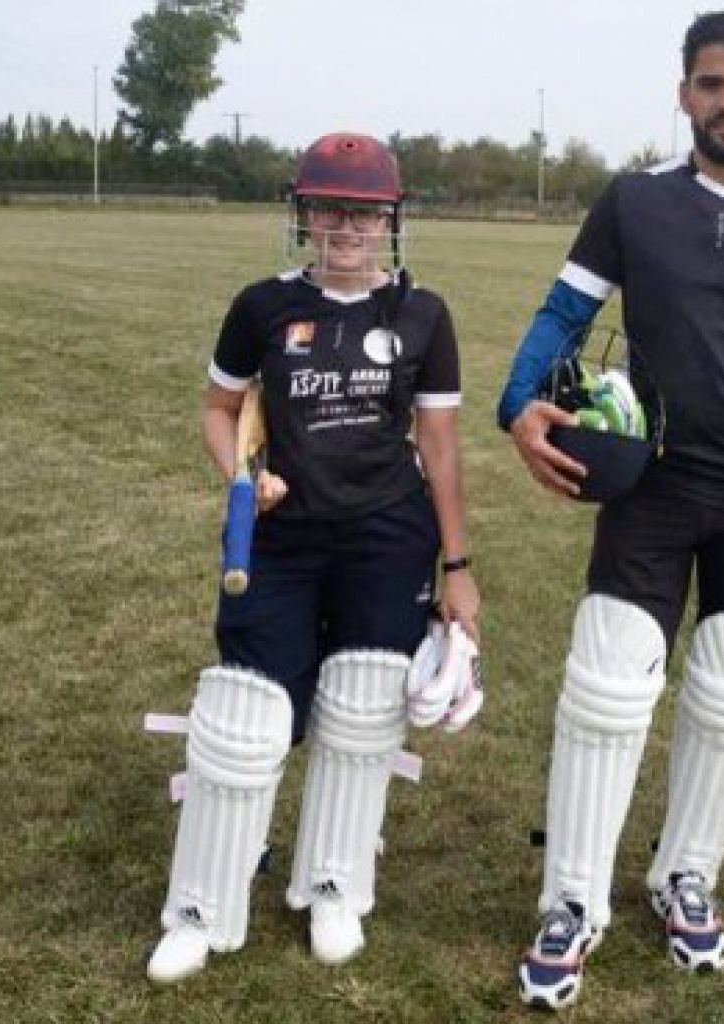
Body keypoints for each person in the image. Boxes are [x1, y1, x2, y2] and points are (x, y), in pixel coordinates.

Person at [497, 11, 724, 1011]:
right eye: (711, 83)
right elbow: (562, 313)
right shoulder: (632, 202)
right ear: (683, 92)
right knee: (606, 687)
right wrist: (512, 406)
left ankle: (683, 875)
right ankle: (569, 903)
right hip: (650, 482)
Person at [146, 132, 480, 983]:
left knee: (363, 709)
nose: (345, 225)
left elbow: (438, 445)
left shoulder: (421, 314)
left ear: (390, 220)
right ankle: (202, 901)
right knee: (247, 711)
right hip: (282, 537)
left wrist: (457, 564)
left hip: (387, 534)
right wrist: (240, 480)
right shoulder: (261, 305)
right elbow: (220, 410)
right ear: (302, 213)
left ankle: (335, 879)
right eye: (328, 208)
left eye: (364, 211)